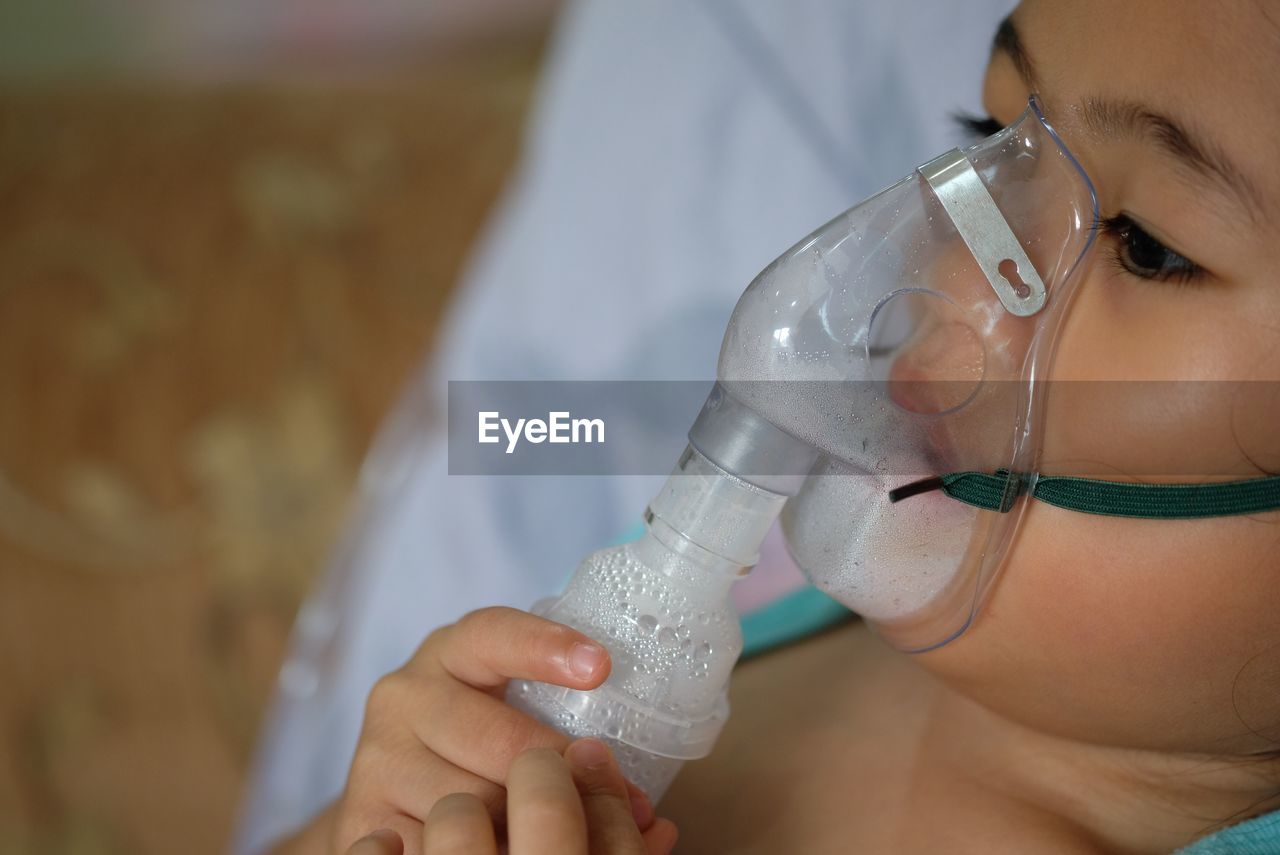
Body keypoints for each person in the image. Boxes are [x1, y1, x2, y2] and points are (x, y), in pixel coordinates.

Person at [242, 0, 1280, 852]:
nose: (946, 268)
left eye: (1142, 245)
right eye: (990, 140)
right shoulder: (761, 612)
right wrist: (378, 820)